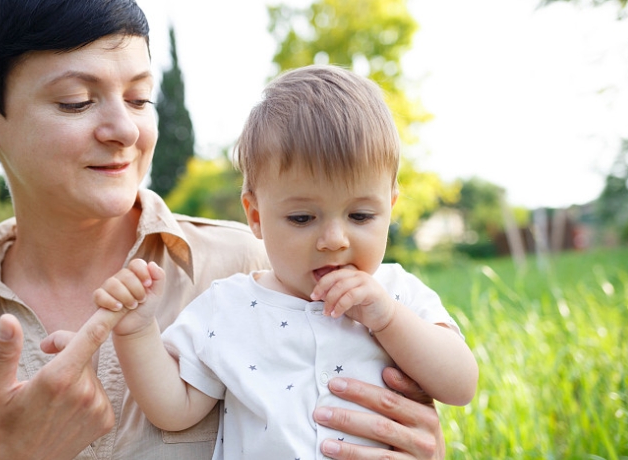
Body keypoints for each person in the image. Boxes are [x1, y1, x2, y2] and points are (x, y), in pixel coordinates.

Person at [0, 1, 449, 459]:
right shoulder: (234, 304)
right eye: (76, 102)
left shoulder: (268, 266)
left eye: (139, 99)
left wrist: (424, 448)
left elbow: (433, 405)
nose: (126, 129)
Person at [89, 65, 478, 459]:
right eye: (302, 218)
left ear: (390, 207)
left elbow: (460, 386)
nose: (334, 241)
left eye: (360, 216)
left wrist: (389, 318)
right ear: (255, 216)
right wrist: (136, 332)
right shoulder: (229, 306)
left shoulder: (398, 292)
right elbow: (175, 409)